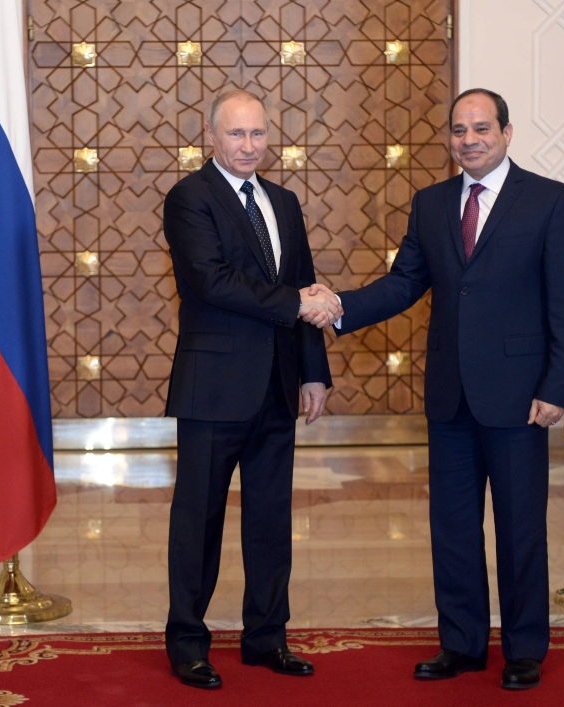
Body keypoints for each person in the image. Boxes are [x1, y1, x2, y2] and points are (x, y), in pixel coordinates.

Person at [306, 88, 564, 690]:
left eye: (481, 128)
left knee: (520, 527)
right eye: (459, 130)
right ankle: (461, 644)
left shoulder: (551, 202)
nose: (470, 140)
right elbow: (404, 282)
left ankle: (523, 649)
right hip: (450, 396)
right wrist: (339, 308)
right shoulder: (431, 203)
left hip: (520, 398)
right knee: (453, 527)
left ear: (507, 133)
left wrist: (557, 386)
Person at [162, 88, 342, 690]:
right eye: (237, 135)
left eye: (258, 134)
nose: (248, 146)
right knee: (199, 521)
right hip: (213, 388)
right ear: (212, 137)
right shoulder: (190, 198)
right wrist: (298, 302)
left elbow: (304, 285)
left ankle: (267, 638)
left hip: (276, 388)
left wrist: (314, 370)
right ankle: (187, 642)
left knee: (270, 519)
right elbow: (211, 283)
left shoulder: (285, 202)